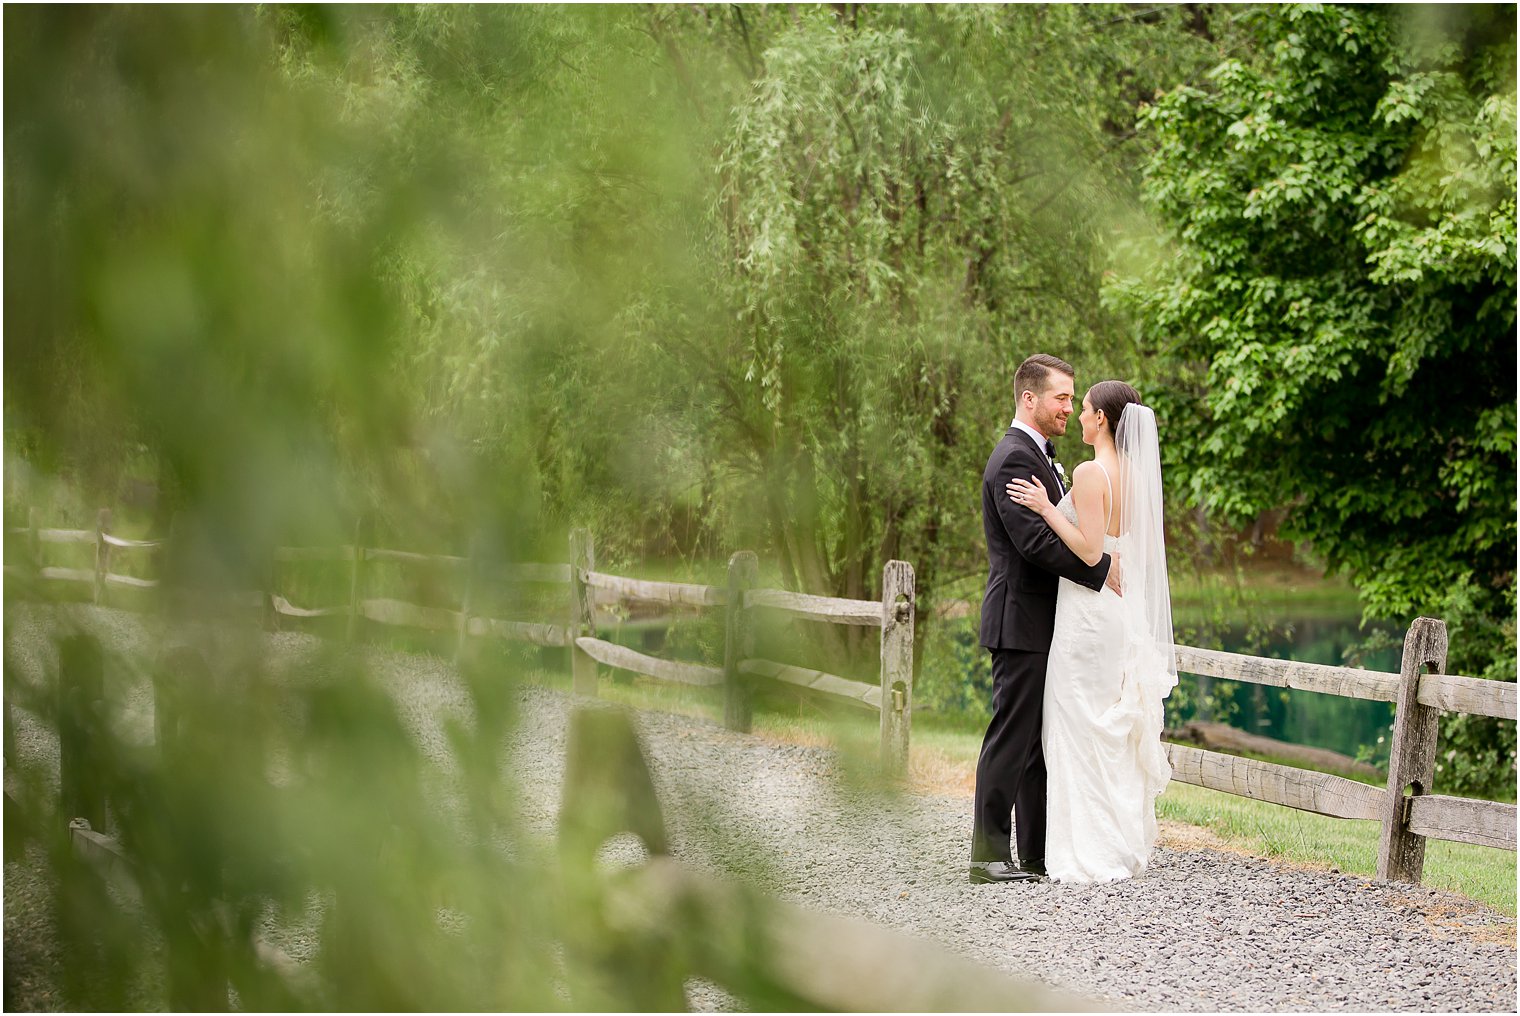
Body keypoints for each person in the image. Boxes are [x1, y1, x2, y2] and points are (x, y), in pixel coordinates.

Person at [1005, 380, 1178, 883]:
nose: (1077, 416)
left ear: (1102, 419)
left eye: (1083, 409)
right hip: (1119, 616)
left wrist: (1043, 509)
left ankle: (1086, 850)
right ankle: (1118, 842)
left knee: (1075, 719)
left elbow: (1088, 551)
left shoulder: (1089, 472)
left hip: (1087, 612)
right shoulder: (1135, 475)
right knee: (1106, 722)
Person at [969, 354, 1117, 885]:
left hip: (1044, 621)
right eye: (1061, 397)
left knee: (1036, 742)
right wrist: (1100, 569)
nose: (1069, 408)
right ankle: (986, 857)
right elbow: (1033, 544)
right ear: (1029, 399)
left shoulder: (1041, 457)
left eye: (1073, 399)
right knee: (1011, 737)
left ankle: (1033, 852)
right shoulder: (1013, 458)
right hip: (1019, 619)